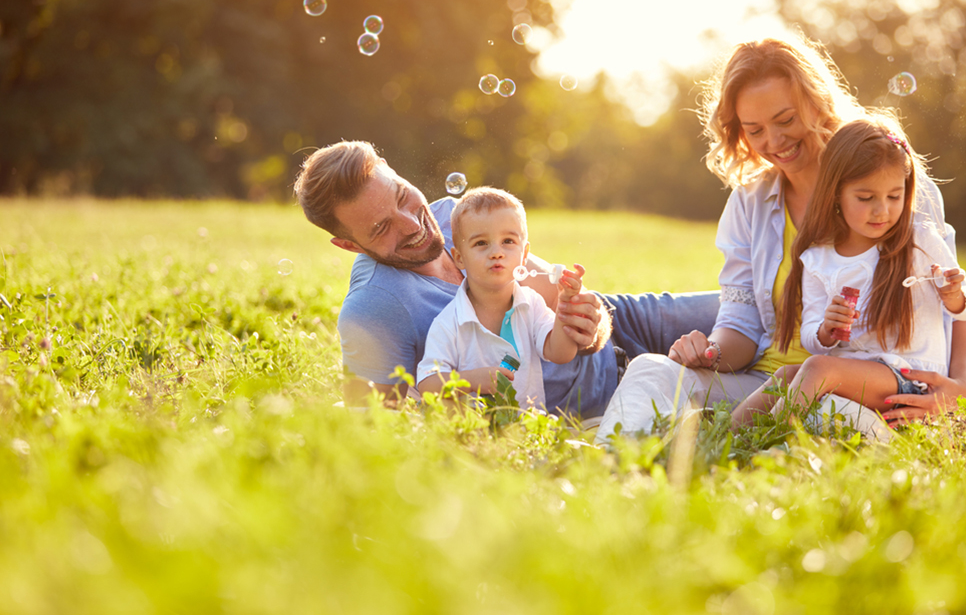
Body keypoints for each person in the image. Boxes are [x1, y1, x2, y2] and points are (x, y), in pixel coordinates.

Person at [595, 34, 964, 442]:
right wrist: (711, 352)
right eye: (755, 130)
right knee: (652, 369)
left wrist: (959, 392)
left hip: (861, 387)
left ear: (817, 103)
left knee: (829, 414)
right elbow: (739, 322)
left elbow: (953, 301)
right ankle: (616, 467)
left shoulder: (895, 187)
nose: (773, 142)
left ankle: (725, 448)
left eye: (785, 120)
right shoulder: (750, 203)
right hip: (766, 384)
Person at [293, 140, 720, 419]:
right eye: (381, 228)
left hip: (624, 321)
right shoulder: (374, 307)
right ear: (349, 246)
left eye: (404, 196)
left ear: (394, 171)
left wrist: (590, 324)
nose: (412, 224)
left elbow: (557, 293)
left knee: (753, 308)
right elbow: (381, 428)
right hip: (600, 400)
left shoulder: (450, 214)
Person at [730, 119, 965, 425]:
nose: (882, 210)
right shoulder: (818, 259)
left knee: (816, 369)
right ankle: (728, 433)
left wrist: (954, 296)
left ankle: (767, 438)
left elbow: (961, 312)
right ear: (836, 194)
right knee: (787, 373)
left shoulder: (919, 241)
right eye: (866, 198)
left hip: (909, 378)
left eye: (894, 196)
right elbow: (811, 336)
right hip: (854, 374)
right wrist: (826, 329)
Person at [417, 187, 584, 406]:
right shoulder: (450, 322)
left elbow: (561, 353)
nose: (497, 252)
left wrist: (565, 307)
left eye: (508, 241)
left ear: (524, 255)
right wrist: (471, 381)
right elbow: (427, 383)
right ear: (459, 258)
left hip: (527, 430)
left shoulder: (531, 304)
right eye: (481, 243)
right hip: (472, 431)